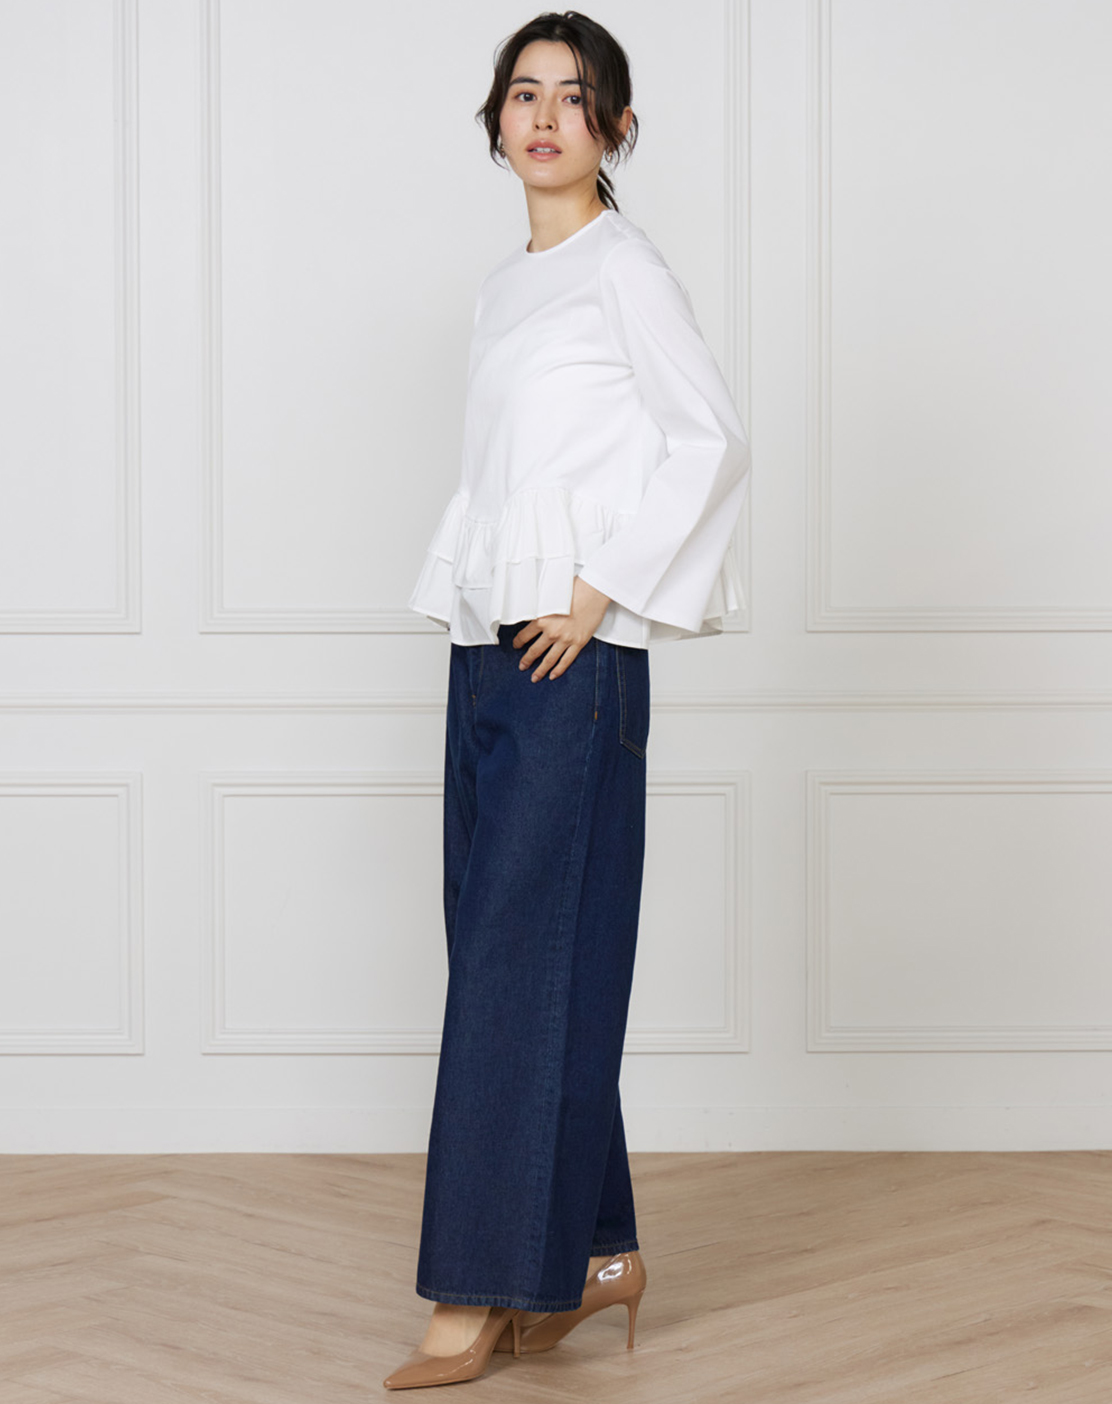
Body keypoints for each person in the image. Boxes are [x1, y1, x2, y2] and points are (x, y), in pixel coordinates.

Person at [383, 9, 750, 1391]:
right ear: (496, 122)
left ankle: (476, 1288)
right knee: (519, 951)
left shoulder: (624, 271)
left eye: (574, 96)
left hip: (569, 660)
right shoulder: (507, 286)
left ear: (617, 128)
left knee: (514, 964)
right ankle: (597, 1251)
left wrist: (600, 593)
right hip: (490, 642)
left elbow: (711, 439)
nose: (544, 117)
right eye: (523, 93)